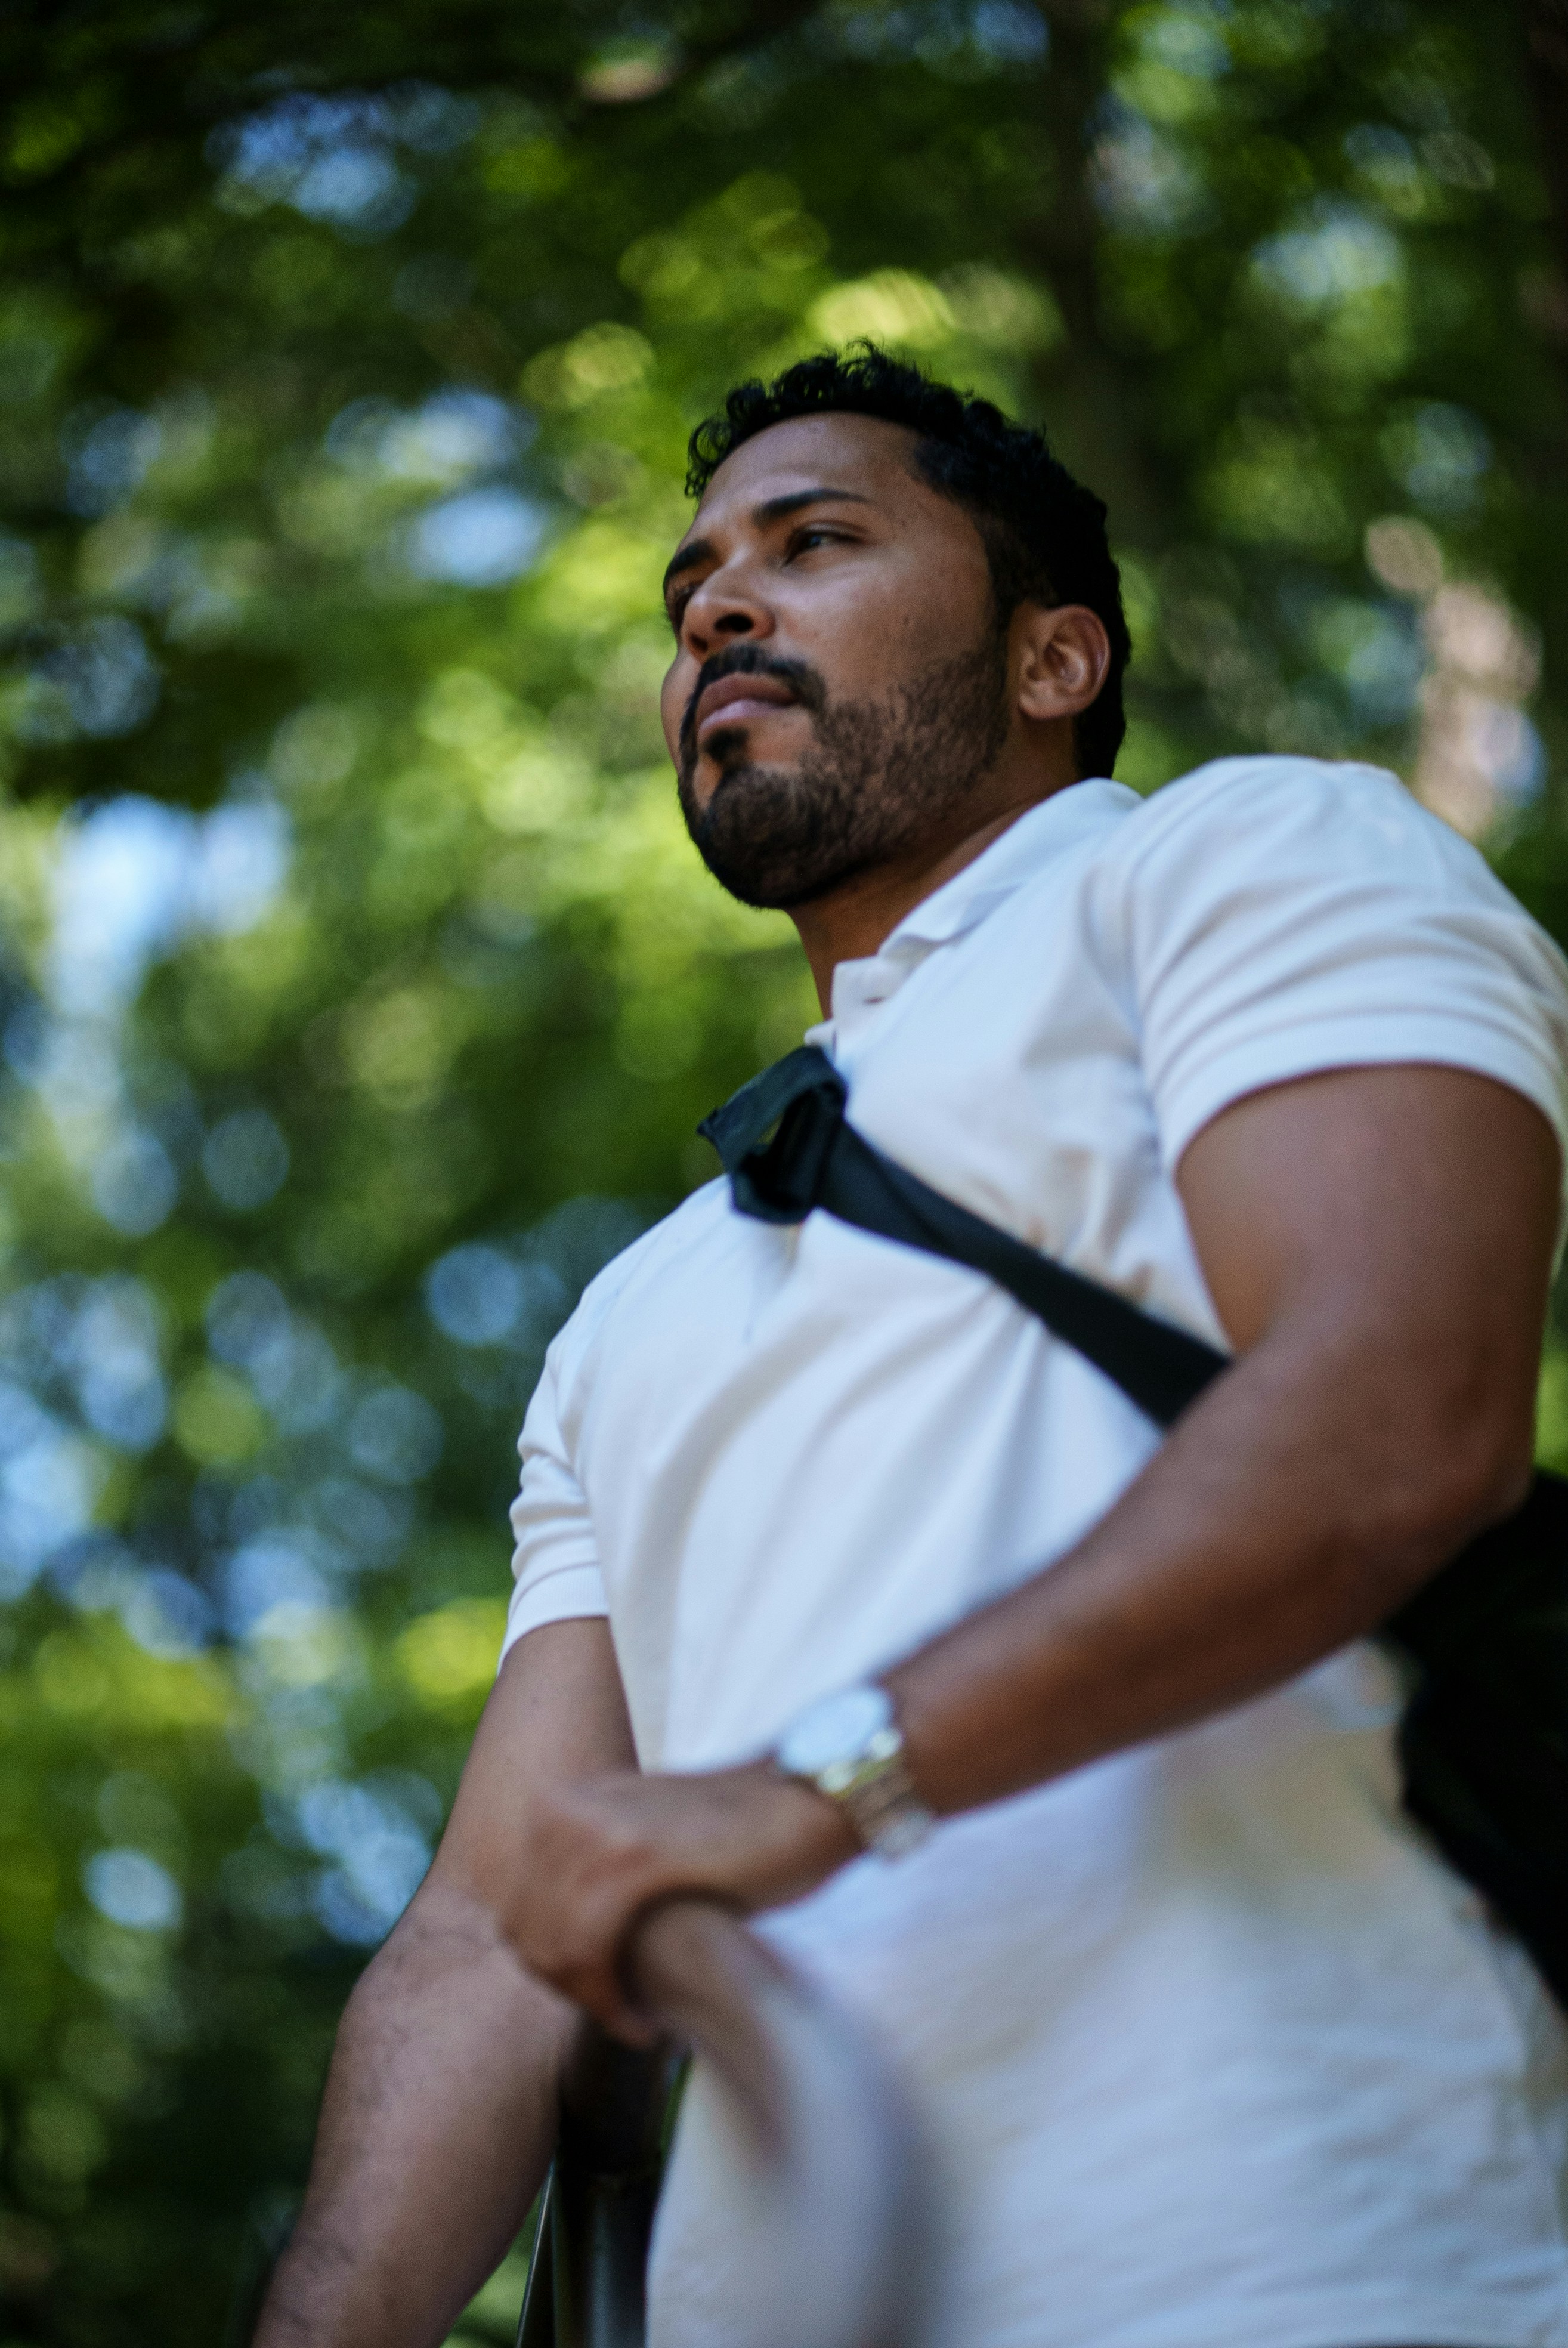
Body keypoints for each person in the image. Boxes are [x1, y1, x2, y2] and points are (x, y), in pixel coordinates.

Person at [255, 349, 1568, 2348]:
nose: (716, 607)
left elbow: (1399, 1417)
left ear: (1055, 661)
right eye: (693, 580)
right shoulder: (640, 1306)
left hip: (1320, 2255)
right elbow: (480, 1940)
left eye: (817, 541)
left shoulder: (1234, 862)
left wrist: (818, 1781)